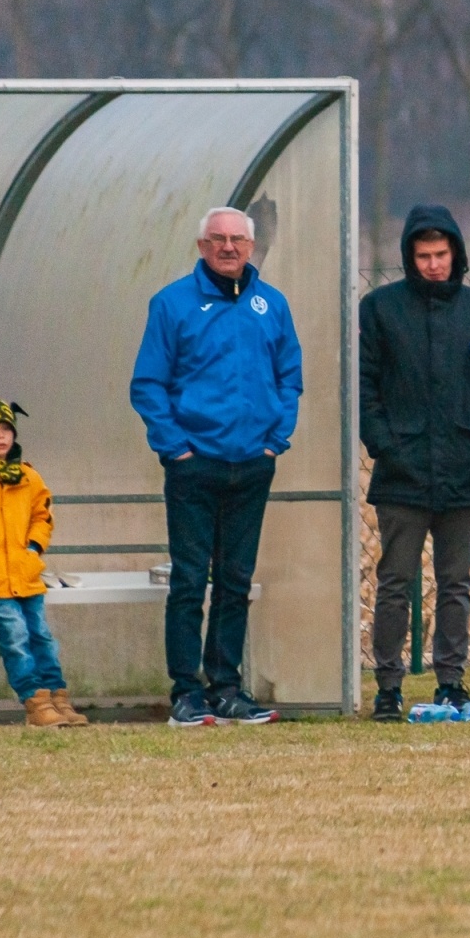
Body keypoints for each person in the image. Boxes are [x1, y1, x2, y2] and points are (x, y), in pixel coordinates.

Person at [131, 206, 304, 729]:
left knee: (235, 579)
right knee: (189, 580)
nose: (229, 247)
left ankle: (226, 687)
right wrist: (176, 449)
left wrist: (275, 440)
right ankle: (187, 693)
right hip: (194, 465)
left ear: (251, 248)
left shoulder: (270, 304)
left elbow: (290, 377)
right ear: (202, 247)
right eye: (218, 239)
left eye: (238, 239)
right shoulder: (172, 304)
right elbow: (148, 384)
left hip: (252, 463)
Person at [361, 204, 470, 721]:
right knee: (394, 582)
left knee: (456, 584)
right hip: (401, 472)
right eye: (423, 255)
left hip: (464, 469)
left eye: (440, 254)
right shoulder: (380, 309)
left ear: (457, 255)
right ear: (409, 257)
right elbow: (364, 383)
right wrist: (384, 444)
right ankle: (387, 685)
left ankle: (451, 681)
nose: (432, 264)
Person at [0, 398, 85, 728]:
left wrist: (32, 548)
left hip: (26, 574)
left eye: (6, 430)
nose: (1, 437)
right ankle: (34, 701)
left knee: (40, 634)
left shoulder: (28, 476)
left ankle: (58, 697)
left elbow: (43, 515)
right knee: (14, 635)